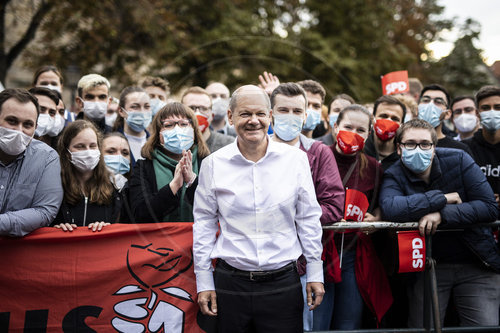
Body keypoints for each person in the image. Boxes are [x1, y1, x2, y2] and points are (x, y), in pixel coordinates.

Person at [193, 85, 325, 332]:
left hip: (283, 284)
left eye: (260, 114)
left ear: (270, 116)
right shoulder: (212, 165)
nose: (254, 121)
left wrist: (315, 271)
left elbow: (308, 218)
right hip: (230, 285)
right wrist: (204, 281)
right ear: (231, 117)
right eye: (245, 114)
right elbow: (204, 223)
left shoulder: (296, 161)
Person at [379, 118, 500, 328]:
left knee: (484, 326)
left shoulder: (459, 159)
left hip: (476, 261)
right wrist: (442, 197)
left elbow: (489, 206)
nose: (418, 149)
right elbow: (392, 208)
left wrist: (443, 214)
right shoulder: (394, 173)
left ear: (434, 148)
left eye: (425, 144)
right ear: (399, 149)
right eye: (410, 144)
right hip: (427, 265)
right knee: (423, 326)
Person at [270, 82, 345, 331]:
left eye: (296, 111)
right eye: (283, 110)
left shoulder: (318, 152)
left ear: (305, 116)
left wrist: (290, 216)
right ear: (270, 113)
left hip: (300, 263)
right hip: (257, 264)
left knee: (303, 326)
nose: (290, 117)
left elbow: (334, 205)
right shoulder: (254, 150)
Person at [313, 104, 390, 331]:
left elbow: (380, 207)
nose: (353, 133)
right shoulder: (317, 157)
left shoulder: (374, 168)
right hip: (319, 253)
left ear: (369, 134)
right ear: (335, 127)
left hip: (352, 256)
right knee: (318, 322)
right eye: (348, 127)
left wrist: (375, 218)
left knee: (349, 322)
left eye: (360, 129)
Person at [128, 102, 209, 223]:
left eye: (183, 124)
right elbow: (140, 214)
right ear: (158, 134)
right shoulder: (143, 167)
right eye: (168, 125)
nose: (177, 129)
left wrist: (192, 180)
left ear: (194, 131)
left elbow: (216, 208)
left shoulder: (208, 163)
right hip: (158, 240)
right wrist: (173, 187)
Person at [0, 88, 63, 237]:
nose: (19, 130)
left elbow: (45, 211)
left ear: (35, 127)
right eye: (12, 121)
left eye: (27, 124)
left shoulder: (47, 158)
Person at [52, 120, 122, 232]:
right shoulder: (53, 187)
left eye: (93, 146)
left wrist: (107, 228)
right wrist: (54, 230)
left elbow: (119, 228)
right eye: (80, 147)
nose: (88, 152)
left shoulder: (112, 189)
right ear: (67, 153)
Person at [463, 85, 500, 210]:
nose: (492, 112)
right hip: (478, 218)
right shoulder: (464, 149)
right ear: (478, 114)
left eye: (497, 107)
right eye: (485, 108)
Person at [418, 84, 472, 155]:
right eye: (425, 100)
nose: (430, 105)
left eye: (438, 102)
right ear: (417, 108)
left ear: (447, 114)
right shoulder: (405, 143)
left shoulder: (459, 150)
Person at [181, 86, 234, 153]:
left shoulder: (228, 145)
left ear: (212, 116)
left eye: (203, 108)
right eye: (191, 108)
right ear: (180, 113)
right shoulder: (174, 145)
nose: (197, 113)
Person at [364, 95, 407, 171]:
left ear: (401, 125)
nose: (389, 121)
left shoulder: (405, 158)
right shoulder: (359, 150)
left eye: (395, 119)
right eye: (383, 116)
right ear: (373, 119)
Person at [112, 86, 151, 166]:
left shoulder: (156, 144)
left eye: (146, 107)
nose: (142, 112)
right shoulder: (110, 143)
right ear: (121, 111)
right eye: (135, 107)